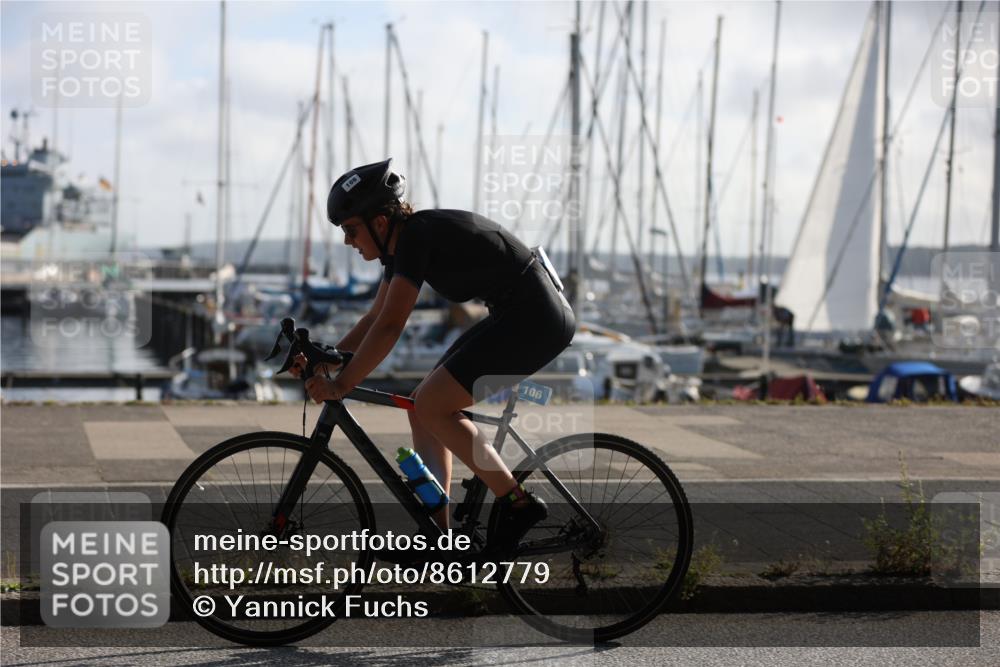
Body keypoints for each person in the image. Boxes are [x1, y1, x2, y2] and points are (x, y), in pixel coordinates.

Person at [291, 158, 576, 558]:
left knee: (434, 404)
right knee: (418, 405)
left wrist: (342, 383)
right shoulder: (402, 245)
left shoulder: (416, 237)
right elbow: (374, 317)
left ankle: (519, 504)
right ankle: (437, 534)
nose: (347, 241)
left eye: (351, 230)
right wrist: (329, 358)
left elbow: (391, 325)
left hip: (537, 318)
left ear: (381, 221)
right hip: (516, 312)